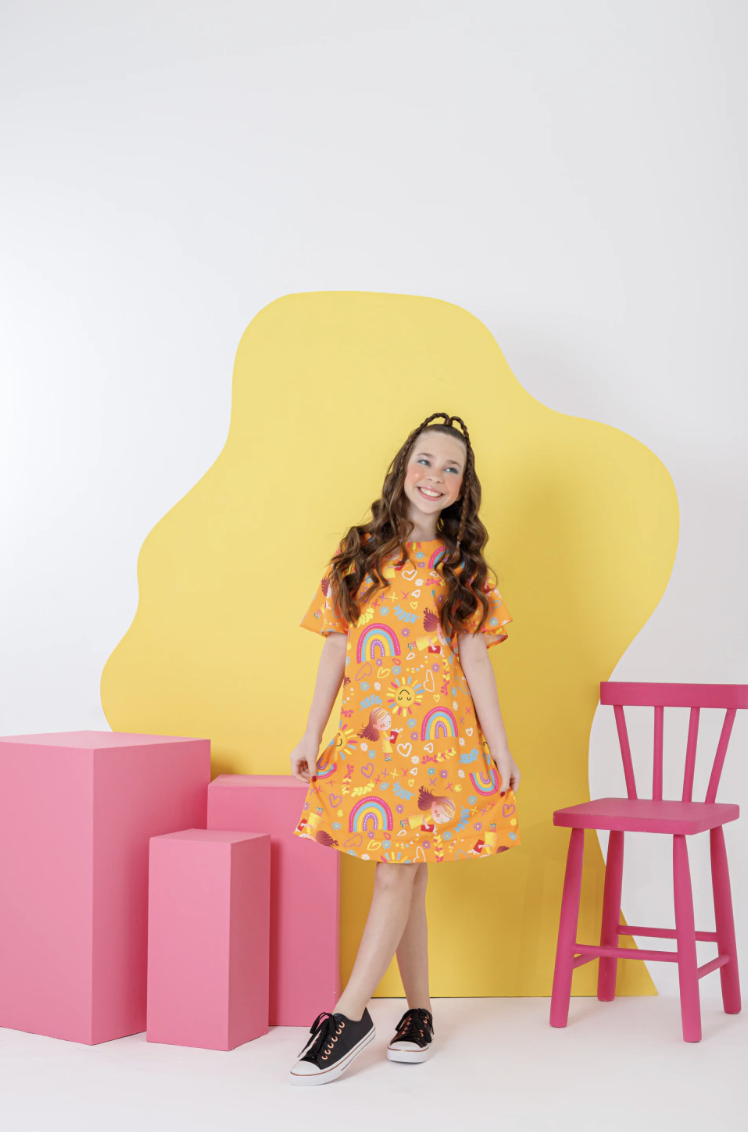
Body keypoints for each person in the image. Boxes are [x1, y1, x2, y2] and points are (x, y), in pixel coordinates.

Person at [288, 411, 522, 1085]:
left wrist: (500, 748)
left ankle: (349, 1016)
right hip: (373, 744)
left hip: (440, 747)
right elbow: (336, 647)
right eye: (426, 461)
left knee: (399, 873)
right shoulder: (359, 552)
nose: (436, 476)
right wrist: (311, 732)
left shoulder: (465, 567)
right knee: (406, 879)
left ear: (463, 486)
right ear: (402, 468)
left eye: (452, 468)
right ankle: (418, 1013)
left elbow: (476, 660)